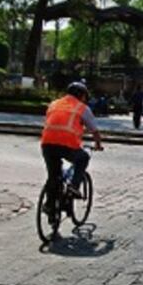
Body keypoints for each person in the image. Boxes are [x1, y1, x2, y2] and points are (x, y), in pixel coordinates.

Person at [40, 82, 104, 217]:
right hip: (67, 145)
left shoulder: (54, 104)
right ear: (81, 95)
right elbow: (95, 131)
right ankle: (74, 186)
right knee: (83, 158)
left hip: (47, 144)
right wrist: (98, 145)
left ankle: (49, 205)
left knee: (54, 176)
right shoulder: (82, 108)